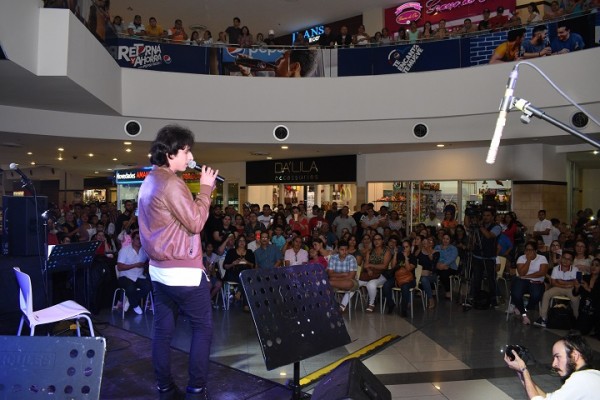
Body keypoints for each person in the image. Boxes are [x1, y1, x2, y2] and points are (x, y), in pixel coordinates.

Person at [137, 124, 219, 399]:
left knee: (162, 331)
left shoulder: (149, 180)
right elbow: (195, 223)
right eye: (186, 150)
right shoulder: (172, 182)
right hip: (183, 271)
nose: (190, 156)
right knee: (203, 328)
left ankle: (165, 388)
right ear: (172, 153)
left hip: (159, 271)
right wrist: (205, 190)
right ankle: (195, 390)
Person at [504, 334, 600, 399]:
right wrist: (521, 372)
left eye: (558, 357)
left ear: (575, 355)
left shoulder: (581, 379)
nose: (554, 364)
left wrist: (524, 370)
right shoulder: (591, 376)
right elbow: (546, 398)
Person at [534, 250, 579, 327]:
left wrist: (561, 281)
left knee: (575, 299)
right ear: (561, 258)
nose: (565, 261)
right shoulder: (556, 268)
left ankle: (576, 319)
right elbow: (553, 283)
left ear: (572, 261)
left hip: (570, 289)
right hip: (558, 288)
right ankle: (543, 318)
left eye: (568, 259)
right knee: (546, 294)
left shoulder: (575, 270)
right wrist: (566, 284)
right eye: (564, 258)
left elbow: (576, 283)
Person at [469, 208, 502, 308]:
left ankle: (493, 299)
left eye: (488, 215)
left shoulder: (497, 227)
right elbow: (470, 230)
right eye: (484, 215)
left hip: (489, 257)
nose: (485, 217)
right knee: (477, 279)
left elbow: (489, 235)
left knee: (491, 279)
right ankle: (476, 299)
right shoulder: (479, 226)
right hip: (477, 256)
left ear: (492, 217)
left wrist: (480, 226)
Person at [510, 241, 549, 325]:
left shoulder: (542, 258)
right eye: (527, 250)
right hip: (522, 281)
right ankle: (524, 315)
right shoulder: (521, 258)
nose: (528, 252)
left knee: (536, 295)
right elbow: (522, 273)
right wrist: (528, 261)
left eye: (531, 250)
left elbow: (542, 273)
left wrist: (527, 276)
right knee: (515, 294)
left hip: (537, 282)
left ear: (535, 250)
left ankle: (522, 309)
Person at [116, 230, 151, 315]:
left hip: (139, 276)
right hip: (125, 276)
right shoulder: (124, 250)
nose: (139, 241)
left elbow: (148, 263)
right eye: (137, 238)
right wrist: (135, 265)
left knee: (149, 286)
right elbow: (119, 267)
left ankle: (130, 299)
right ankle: (134, 304)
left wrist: (144, 265)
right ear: (132, 239)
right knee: (130, 288)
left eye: (141, 239)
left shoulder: (144, 251)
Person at [327, 240, 359, 312]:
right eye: (342, 249)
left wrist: (334, 278)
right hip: (338, 282)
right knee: (328, 287)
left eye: (346, 249)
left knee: (349, 283)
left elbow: (351, 277)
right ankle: (330, 306)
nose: (344, 252)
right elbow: (330, 274)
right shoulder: (333, 258)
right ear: (338, 250)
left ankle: (329, 283)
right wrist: (343, 274)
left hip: (349, 282)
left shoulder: (351, 258)